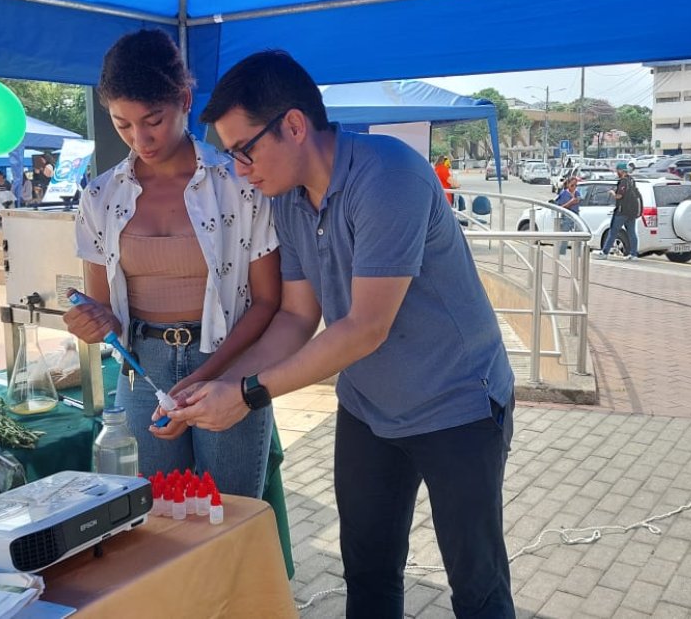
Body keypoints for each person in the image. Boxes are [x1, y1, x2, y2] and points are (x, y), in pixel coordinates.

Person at [180, 50, 515, 618]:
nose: (240, 169)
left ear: (293, 125)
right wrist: (212, 384)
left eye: (244, 149)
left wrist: (248, 394)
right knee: (368, 573)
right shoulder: (285, 199)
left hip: (457, 404)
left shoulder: (388, 175)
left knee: (476, 587)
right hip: (368, 408)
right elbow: (294, 317)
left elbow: (364, 328)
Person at [62, 28, 281, 499]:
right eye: (122, 124)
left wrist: (205, 376)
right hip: (142, 370)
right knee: (148, 516)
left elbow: (266, 303)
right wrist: (89, 320)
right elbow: (103, 309)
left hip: (228, 361)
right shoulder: (100, 196)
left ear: (184, 99)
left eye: (153, 120)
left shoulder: (238, 184)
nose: (140, 138)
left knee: (230, 514)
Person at [596, 163, 642, 260]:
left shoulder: (623, 182)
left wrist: (613, 193)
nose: (617, 173)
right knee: (632, 232)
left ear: (621, 171)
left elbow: (619, 196)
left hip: (622, 211)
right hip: (632, 212)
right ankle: (634, 254)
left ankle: (604, 252)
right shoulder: (631, 180)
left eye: (618, 170)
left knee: (613, 232)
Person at [555, 175, 582, 255]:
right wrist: (571, 202)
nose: (574, 187)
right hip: (567, 216)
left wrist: (576, 200)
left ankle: (578, 253)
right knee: (565, 236)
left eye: (575, 185)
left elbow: (578, 200)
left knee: (579, 234)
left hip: (576, 215)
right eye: (572, 185)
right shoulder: (564, 194)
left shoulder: (577, 193)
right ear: (568, 185)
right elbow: (560, 206)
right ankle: (562, 253)